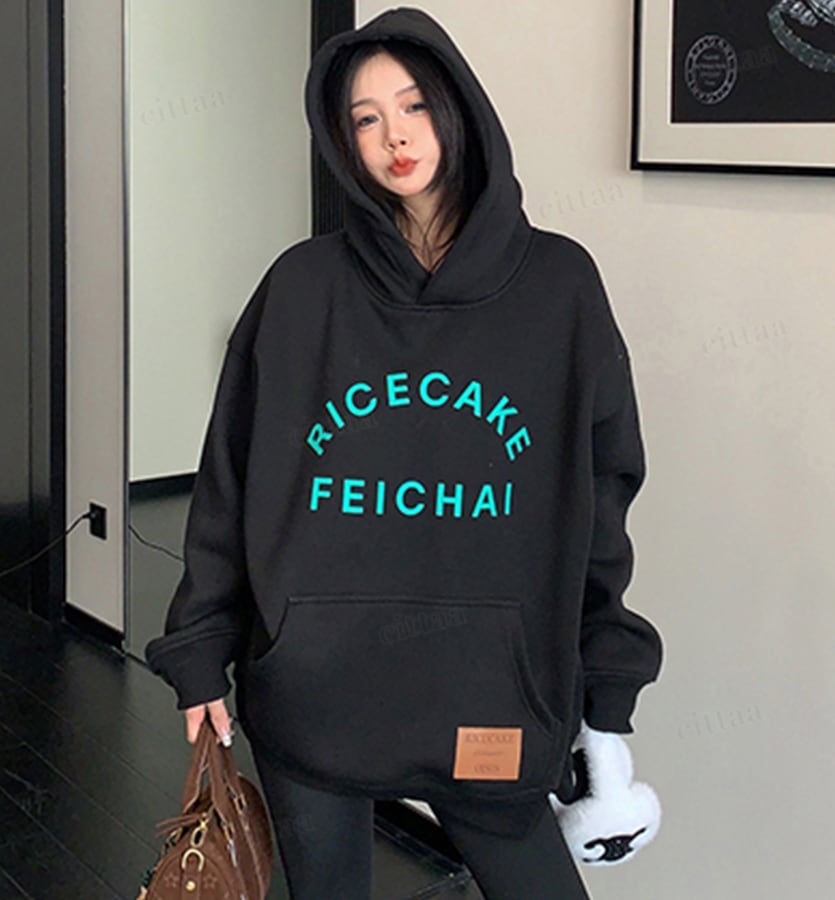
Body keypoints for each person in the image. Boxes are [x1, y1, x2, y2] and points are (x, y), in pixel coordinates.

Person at [145, 7, 663, 899]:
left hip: (494, 695)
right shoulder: (302, 288)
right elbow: (231, 481)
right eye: (365, 118)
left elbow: (602, 496)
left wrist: (608, 682)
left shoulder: (559, 287)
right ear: (341, 141)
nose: (395, 136)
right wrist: (197, 647)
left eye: (415, 104)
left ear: (459, 108)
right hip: (315, 695)